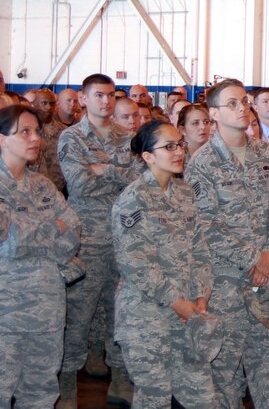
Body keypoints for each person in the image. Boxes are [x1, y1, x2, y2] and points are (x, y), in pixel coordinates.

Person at [185, 79, 269, 408]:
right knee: (223, 376)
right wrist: (255, 258)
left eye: (244, 102)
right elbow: (206, 225)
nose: (243, 109)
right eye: (233, 104)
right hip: (226, 285)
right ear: (214, 114)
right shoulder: (201, 164)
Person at [111, 120, 217, 407]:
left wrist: (200, 295)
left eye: (180, 145)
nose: (179, 151)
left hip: (188, 313)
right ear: (147, 157)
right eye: (169, 147)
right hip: (147, 317)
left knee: (203, 397)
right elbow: (135, 264)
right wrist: (176, 301)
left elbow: (200, 249)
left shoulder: (184, 192)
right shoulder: (133, 199)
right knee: (154, 399)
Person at [57, 74, 141, 407]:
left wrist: (100, 169)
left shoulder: (128, 138)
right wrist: (113, 173)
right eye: (98, 96)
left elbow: (138, 182)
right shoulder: (71, 137)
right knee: (78, 316)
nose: (105, 102)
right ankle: (66, 383)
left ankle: (120, 378)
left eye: (109, 96)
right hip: (88, 240)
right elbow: (78, 185)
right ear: (83, 98)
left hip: (124, 237)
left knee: (120, 313)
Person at [0, 105, 81, 408]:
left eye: (37, 131)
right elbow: (10, 242)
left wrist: (31, 232)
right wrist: (53, 228)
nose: (36, 138)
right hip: (6, 312)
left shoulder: (43, 184)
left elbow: (73, 232)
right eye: (24, 132)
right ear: (1, 139)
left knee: (42, 393)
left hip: (47, 309)